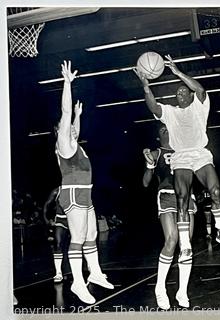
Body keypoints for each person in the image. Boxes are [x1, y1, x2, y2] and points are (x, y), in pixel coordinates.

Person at [135, 54, 220, 264]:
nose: (179, 93)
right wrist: (145, 85)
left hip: (200, 152)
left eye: (183, 91)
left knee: (215, 191)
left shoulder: (200, 107)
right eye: (177, 92)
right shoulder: (170, 112)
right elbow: (153, 106)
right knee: (182, 198)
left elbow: (201, 90)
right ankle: (185, 246)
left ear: (189, 96)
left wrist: (178, 72)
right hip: (180, 157)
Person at [55, 60, 114, 304]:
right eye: (68, 127)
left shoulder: (74, 143)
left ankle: (96, 273)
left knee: (91, 234)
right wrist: (67, 84)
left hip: (84, 194)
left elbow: (74, 128)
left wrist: (79, 116)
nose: (73, 129)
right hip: (73, 193)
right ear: (60, 130)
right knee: (77, 237)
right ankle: (78, 283)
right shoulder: (64, 143)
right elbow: (65, 113)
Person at [143, 123, 196, 309]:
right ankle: (160, 288)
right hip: (166, 195)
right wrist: (150, 164)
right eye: (162, 130)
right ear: (158, 136)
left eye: (169, 128)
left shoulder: (185, 149)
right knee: (172, 239)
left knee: (186, 244)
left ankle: (182, 291)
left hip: (186, 197)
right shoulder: (156, 152)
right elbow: (145, 182)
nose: (167, 131)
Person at [43, 187, 70, 283]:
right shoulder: (57, 191)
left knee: (79, 244)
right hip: (60, 219)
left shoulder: (75, 189)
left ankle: (91, 269)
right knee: (58, 244)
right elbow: (47, 204)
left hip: (73, 219)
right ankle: (58, 273)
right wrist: (46, 219)